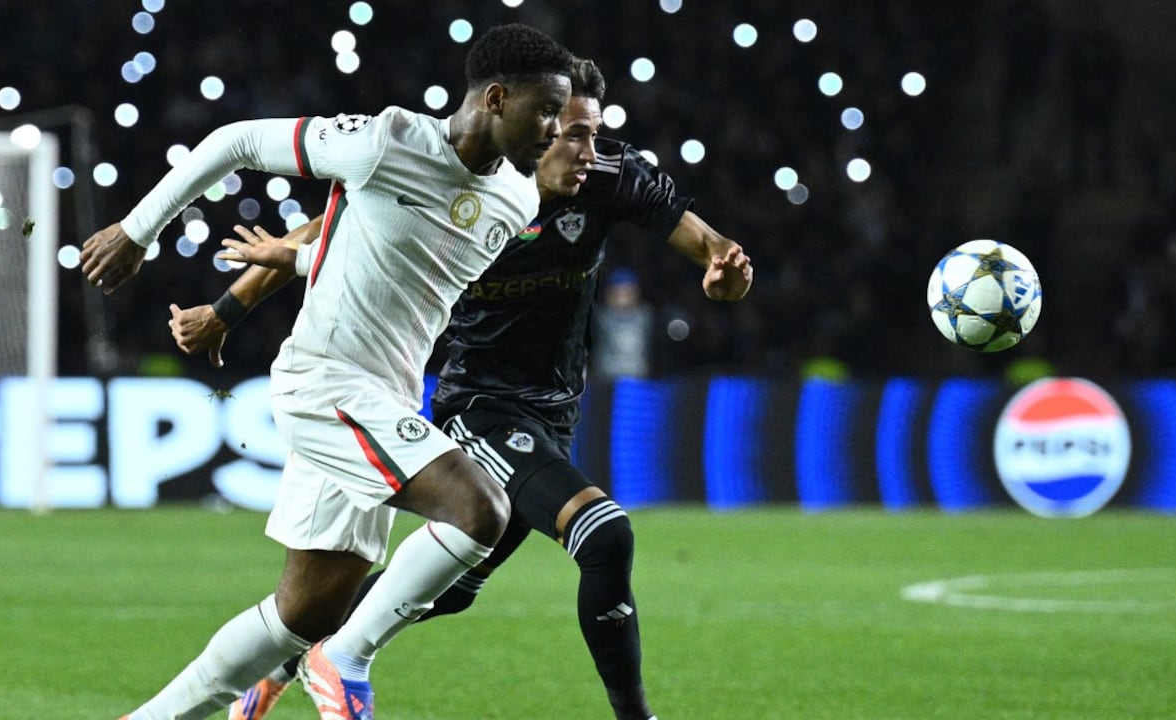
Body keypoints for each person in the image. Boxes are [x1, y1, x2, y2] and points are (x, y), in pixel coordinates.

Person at [172, 58, 752, 720]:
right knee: (605, 534)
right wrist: (225, 310)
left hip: (552, 412)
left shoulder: (611, 178)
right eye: (568, 134)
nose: (587, 152)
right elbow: (322, 234)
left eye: (594, 134)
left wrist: (726, 273)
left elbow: (713, 248)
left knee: (447, 589)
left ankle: (287, 654)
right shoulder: (468, 184)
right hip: (477, 403)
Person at [81, 23, 575, 720]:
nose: (554, 130)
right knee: (481, 510)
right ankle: (347, 660)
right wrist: (138, 230)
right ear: (496, 98)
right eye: (548, 111)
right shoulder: (387, 142)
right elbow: (236, 142)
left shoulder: (517, 202)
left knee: (305, 609)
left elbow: (379, 257)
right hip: (328, 382)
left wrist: (257, 285)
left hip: (390, 395)